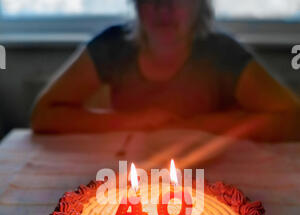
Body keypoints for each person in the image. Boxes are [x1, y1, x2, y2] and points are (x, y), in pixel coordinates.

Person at [31, 0, 300, 142]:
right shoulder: (111, 46)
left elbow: (292, 118)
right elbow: (44, 115)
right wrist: (133, 121)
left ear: (200, 5)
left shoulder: (223, 54)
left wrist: (200, 126)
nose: (164, 8)